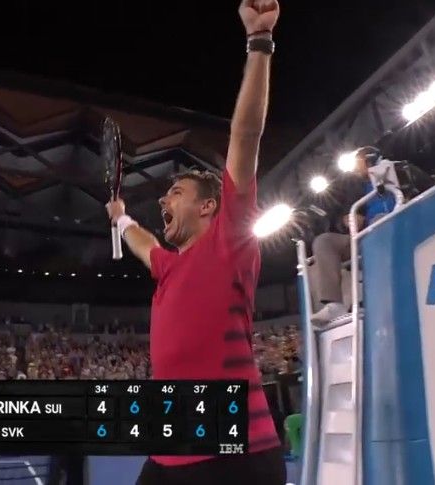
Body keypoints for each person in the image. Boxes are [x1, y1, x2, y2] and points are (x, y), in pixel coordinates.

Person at [105, 1, 285, 483]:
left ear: (208, 207)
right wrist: (122, 219)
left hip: (235, 455)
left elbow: (245, 136)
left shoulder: (230, 239)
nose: (164, 199)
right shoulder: (168, 266)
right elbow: (143, 242)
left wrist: (259, 43)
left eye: (176, 193)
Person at [309, 146, 397, 322]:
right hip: (364, 236)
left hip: (393, 228)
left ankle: (380, 292)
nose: (355, 169)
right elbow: (341, 215)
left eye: (358, 163)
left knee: (379, 220)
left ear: (370, 159)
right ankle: (334, 304)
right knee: (324, 241)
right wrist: (346, 221)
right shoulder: (355, 187)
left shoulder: (394, 172)